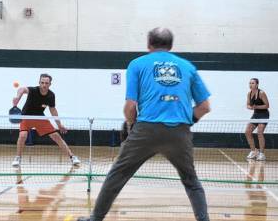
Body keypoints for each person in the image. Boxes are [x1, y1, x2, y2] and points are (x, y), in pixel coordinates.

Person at [77, 27, 211, 221]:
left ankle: (95, 218)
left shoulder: (137, 64)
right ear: (171, 46)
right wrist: (185, 123)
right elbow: (205, 107)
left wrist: (133, 125)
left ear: (149, 44)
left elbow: (130, 106)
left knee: (117, 175)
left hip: (145, 130)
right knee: (191, 181)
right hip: (180, 132)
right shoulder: (188, 67)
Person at [11, 73, 80, 167]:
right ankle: (18, 158)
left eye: (46, 83)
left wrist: (59, 125)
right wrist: (17, 97)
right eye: (42, 82)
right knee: (23, 135)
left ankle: (72, 157)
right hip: (27, 116)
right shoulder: (33, 90)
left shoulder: (51, 95)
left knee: (56, 136)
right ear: (39, 83)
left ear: (50, 84)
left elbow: (53, 110)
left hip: (40, 117)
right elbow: (21, 89)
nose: (44, 85)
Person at [245, 78, 269, 161]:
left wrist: (257, 107)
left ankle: (262, 154)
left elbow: (267, 105)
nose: (251, 85)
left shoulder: (261, 93)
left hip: (264, 115)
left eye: (252, 83)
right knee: (247, 132)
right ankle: (254, 151)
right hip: (255, 114)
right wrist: (250, 107)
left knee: (259, 133)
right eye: (250, 83)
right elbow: (247, 105)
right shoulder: (249, 93)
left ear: (257, 84)